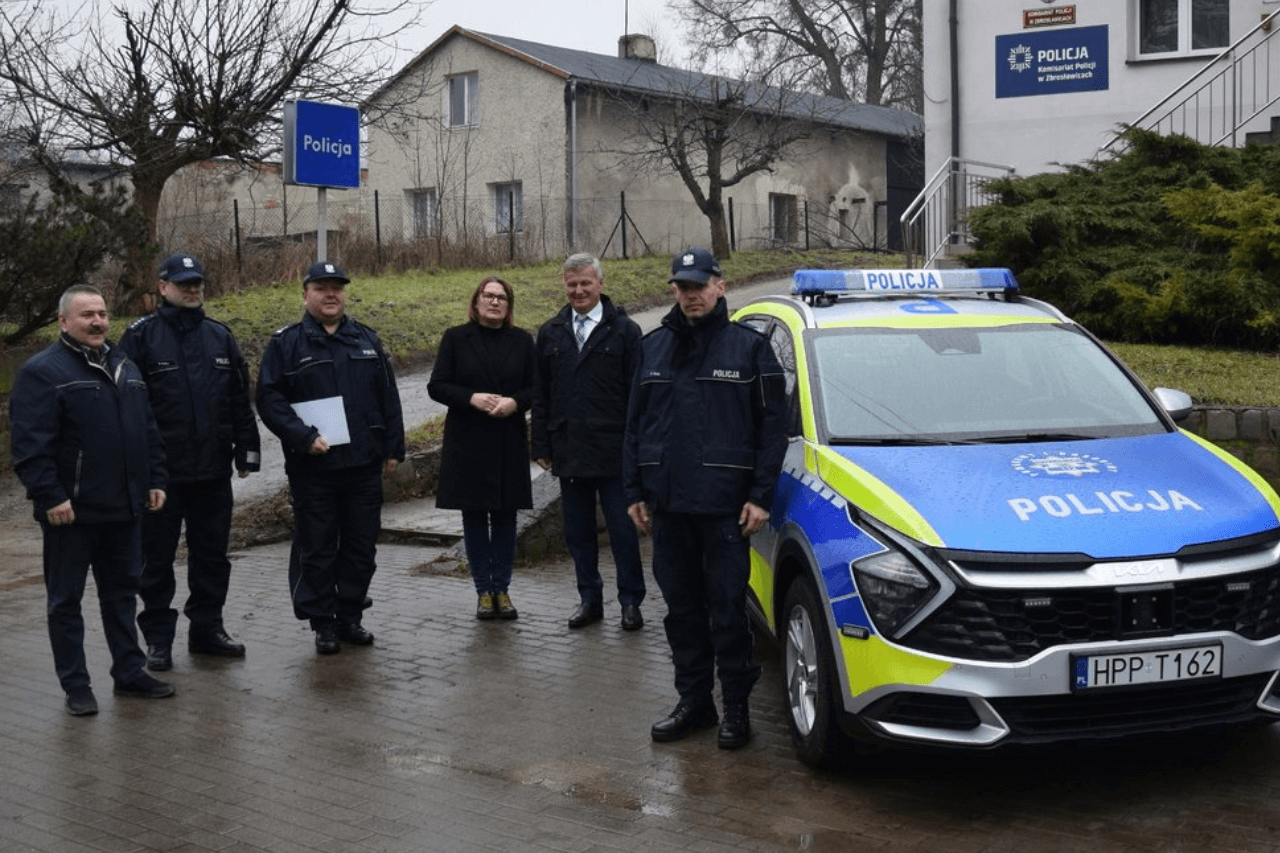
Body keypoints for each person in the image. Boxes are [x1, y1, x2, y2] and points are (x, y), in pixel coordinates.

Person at [624, 248, 787, 750]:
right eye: (682, 286)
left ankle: (736, 709)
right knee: (681, 611)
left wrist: (760, 497)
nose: (691, 295)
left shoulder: (751, 349)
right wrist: (633, 489)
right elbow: (634, 426)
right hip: (668, 507)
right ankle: (695, 703)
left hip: (724, 511)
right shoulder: (652, 347)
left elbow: (773, 430)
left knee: (726, 613)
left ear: (720, 285)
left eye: (700, 285)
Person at [10, 284, 175, 715]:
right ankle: (76, 686)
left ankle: (129, 673)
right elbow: (30, 447)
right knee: (65, 602)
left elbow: (148, 431)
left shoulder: (125, 365)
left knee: (122, 594)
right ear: (63, 321)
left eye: (102, 313)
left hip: (125, 509)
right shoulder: (42, 372)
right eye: (87, 315)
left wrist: (155, 478)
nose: (98, 321)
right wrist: (51, 496)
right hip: (71, 513)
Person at [118, 253, 261, 671]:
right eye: (183, 283)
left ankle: (207, 630)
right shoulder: (141, 338)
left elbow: (239, 399)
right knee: (156, 560)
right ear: (163, 287)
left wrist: (247, 451)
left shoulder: (220, 337)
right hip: (161, 477)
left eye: (197, 282)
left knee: (212, 556)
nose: (192, 289)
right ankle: (158, 640)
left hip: (213, 470)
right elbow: (127, 407)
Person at [256, 260, 405, 655]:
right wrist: (303, 437)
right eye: (321, 288)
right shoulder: (286, 344)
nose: (330, 294)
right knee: (317, 546)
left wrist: (394, 448)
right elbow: (270, 400)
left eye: (337, 287)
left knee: (360, 546)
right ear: (305, 294)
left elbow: (388, 396)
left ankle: (350, 616)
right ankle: (322, 623)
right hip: (314, 468)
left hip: (363, 465)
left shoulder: (366, 341)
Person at [531, 253, 645, 632]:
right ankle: (589, 600)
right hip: (570, 450)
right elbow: (541, 395)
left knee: (622, 533)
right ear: (564, 285)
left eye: (585, 283)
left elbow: (638, 396)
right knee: (578, 534)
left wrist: (638, 450)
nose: (578, 290)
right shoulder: (551, 332)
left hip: (615, 454)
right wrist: (541, 447)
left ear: (600, 284)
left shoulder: (625, 332)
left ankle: (630, 602)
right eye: (572, 284)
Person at [428, 276, 535, 621]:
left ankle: (501, 589)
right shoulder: (456, 338)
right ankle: (483, 591)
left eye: (501, 297)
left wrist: (516, 402)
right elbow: (437, 386)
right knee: (474, 518)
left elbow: (537, 388)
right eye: (488, 296)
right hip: (468, 440)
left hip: (508, 440)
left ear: (509, 306)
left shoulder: (522, 341)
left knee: (505, 518)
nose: (494, 302)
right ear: (475, 303)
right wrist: (469, 397)